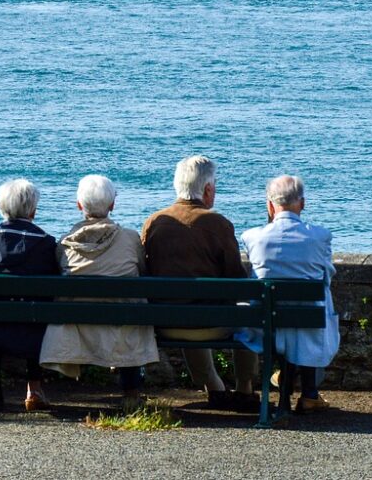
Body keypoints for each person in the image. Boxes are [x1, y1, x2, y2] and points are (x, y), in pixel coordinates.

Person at [141, 155, 260, 411]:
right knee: (247, 312)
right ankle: (244, 388)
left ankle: (214, 386)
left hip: (166, 323)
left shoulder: (154, 223)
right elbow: (237, 280)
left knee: (185, 306)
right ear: (207, 190)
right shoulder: (218, 224)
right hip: (211, 325)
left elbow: (145, 271)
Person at [39, 175, 159, 409]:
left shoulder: (65, 243)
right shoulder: (131, 238)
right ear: (113, 205)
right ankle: (131, 392)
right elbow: (142, 272)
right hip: (124, 325)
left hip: (78, 328)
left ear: (79, 206)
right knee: (129, 312)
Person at [241, 175, 339, 414]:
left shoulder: (252, 237)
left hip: (265, 324)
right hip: (308, 322)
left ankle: (292, 392)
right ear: (302, 204)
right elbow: (327, 277)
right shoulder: (320, 236)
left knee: (287, 323)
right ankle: (309, 394)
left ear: (270, 204)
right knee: (310, 312)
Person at [0, 178, 61, 412]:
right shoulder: (46, 245)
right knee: (34, 310)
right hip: (36, 333)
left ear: (2, 208)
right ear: (33, 211)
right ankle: (34, 387)